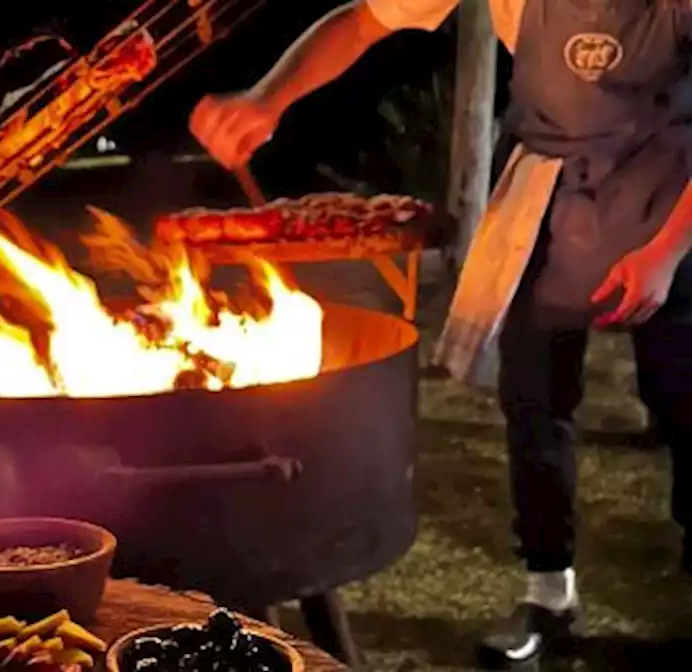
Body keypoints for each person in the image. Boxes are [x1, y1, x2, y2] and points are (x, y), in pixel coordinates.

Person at [189, 0, 692, 667]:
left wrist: (663, 252)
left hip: (670, 193)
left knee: (684, 405)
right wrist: (266, 100)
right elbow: (365, 18)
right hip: (550, 194)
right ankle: (549, 594)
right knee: (534, 400)